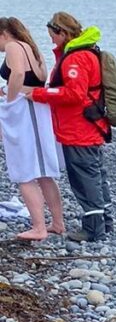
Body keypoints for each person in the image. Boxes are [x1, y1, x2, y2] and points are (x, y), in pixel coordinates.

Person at [26, 11, 111, 242]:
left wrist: (38, 94)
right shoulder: (87, 52)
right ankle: (105, 221)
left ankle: (93, 228)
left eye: (52, 35)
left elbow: (74, 93)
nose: (51, 40)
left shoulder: (75, 58)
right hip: (89, 125)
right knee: (96, 173)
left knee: (84, 177)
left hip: (78, 128)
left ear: (62, 32)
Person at [0, 17, 64, 240]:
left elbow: (18, 74)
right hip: (37, 108)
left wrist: (9, 101)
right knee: (44, 172)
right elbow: (38, 79)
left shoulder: (12, 46)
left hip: (24, 111)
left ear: (4, 34)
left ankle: (39, 228)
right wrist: (9, 90)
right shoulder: (32, 48)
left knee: (24, 171)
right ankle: (57, 222)